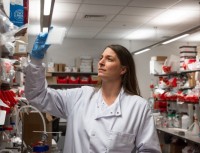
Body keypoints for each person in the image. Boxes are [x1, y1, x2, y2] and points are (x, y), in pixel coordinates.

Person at [24, 31, 161, 153]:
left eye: (109, 59)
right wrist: (36, 61)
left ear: (123, 69)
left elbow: (149, 149)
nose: (101, 62)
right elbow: (38, 95)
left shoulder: (138, 107)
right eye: (101, 57)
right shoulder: (79, 97)